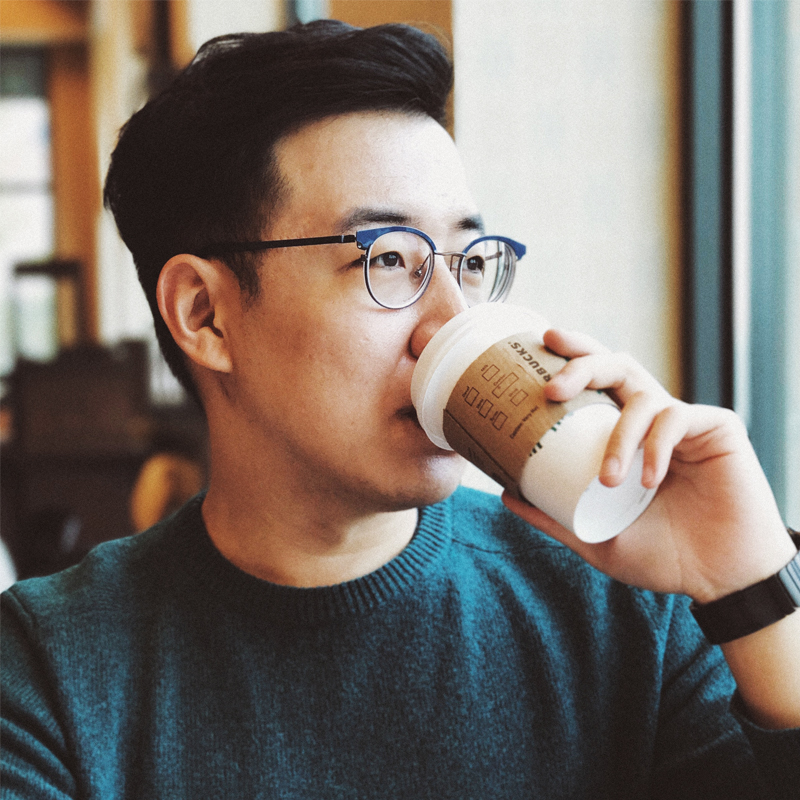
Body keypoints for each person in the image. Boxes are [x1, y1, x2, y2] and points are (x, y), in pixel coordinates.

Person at [2, 20, 798, 799]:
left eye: (468, 260)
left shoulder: (628, 604)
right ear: (206, 315)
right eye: (388, 260)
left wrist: (751, 591)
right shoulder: (51, 672)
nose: (452, 322)